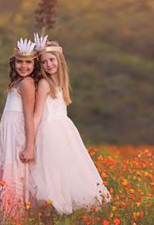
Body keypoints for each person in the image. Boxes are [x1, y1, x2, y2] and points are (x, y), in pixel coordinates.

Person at [28, 34, 110, 215]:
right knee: (50, 176)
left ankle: (59, 216)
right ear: (40, 66)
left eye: (52, 60)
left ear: (59, 60)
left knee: (66, 173)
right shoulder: (44, 84)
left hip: (64, 132)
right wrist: (29, 142)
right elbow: (37, 115)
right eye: (44, 62)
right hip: (48, 133)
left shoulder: (61, 82)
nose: (49, 64)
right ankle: (47, 221)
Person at [0, 38, 39, 225]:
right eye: (20, 61)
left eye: (28, 62)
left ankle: (14, 222)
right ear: (14, 62)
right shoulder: (17, 83)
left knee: (16, 174)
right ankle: (7, 221)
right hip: (8, 137)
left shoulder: (27, 83)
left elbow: (28, 116)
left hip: (18, 138)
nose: (23, 66)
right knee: (8, 172)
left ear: (34, 64)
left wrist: (30, 146)